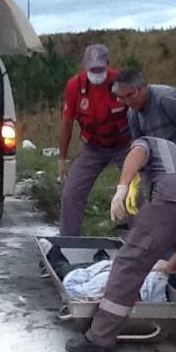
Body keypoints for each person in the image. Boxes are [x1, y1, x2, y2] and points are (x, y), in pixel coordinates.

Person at [65, 136, 176, 352]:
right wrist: (168, 266)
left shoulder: (147, 141)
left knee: (129, 263)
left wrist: (121, 188)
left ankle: (99, 338)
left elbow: (138, 152)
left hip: (174, 198)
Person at [57, 44, 132, 236]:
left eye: (100, 69)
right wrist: (61, 159)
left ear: (107, 64)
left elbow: (138, 114)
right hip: (93, 147)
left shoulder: (121, 83)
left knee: (136, 191)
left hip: (123, 144)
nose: (96, 73)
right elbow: (67, 123)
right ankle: (69, 241)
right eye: (92, 69)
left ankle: (140, 239)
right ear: (84, 66)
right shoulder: (75, 86)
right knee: (71, 193)